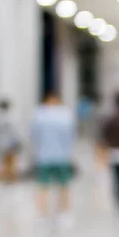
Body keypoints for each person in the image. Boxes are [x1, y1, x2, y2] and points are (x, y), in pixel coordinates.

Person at [31, 91, 76, 227]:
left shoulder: (39, 114)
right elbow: (71, 136)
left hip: (44, 156)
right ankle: (64, 213)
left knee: (43, 187)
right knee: (63, 186)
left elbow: (33, 135)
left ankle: (42, 215)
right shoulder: (66, 115)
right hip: (62, 156)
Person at [0, 100, 21, 183]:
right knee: (10, 162)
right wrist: (17, 141)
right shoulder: (9, 119)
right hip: (9, 144)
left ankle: (7, 179)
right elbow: (14, 132)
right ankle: (8, 179)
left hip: (1, 144)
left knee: (4, 162)